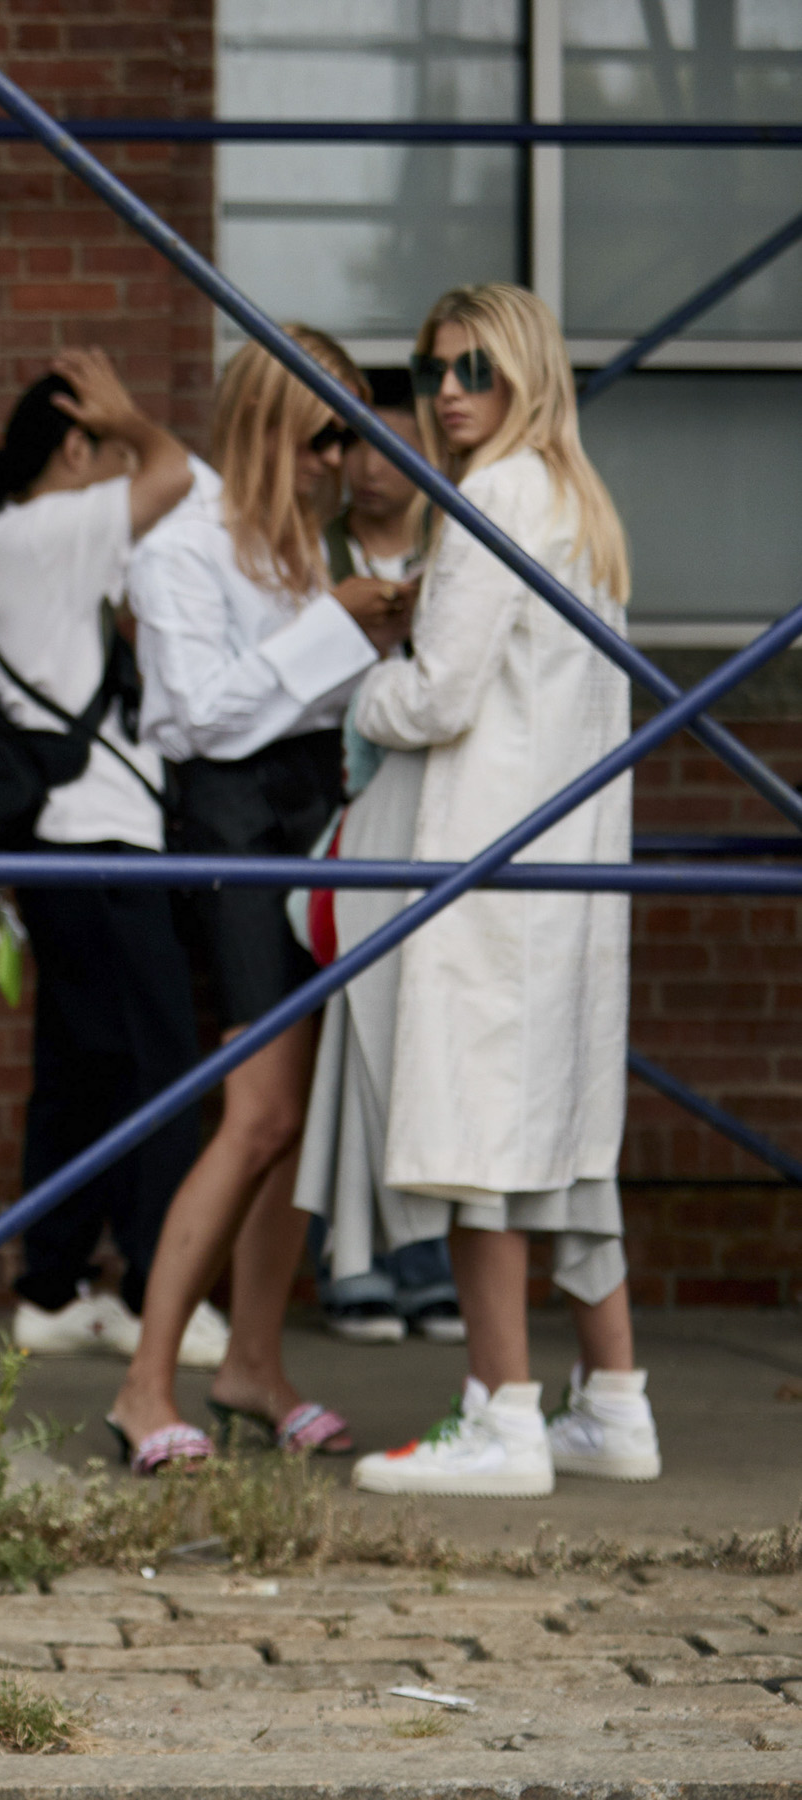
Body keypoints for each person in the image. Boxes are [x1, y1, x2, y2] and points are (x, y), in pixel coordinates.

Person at [349, 283, 655, 1498]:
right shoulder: (581, 500)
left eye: (475, 366)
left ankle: (502, 1416)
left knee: (479, 1142)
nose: (451, 392)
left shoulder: (490, 497)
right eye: (437, 371)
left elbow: (439, 696)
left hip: (491, 861)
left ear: (526, 369)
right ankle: (614, 1402)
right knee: (563, 1150)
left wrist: (364, 690)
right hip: (571, 874)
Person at [103, 327, 414, 1474]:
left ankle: (253, 1365)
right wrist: (339, 626)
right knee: (258, 1115)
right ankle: (146, 1384)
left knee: (298, 1124)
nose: (342, 458)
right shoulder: (182, 544)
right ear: (269, 425)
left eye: (353, 435)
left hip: (314, 814)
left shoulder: (302, 546)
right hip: (232, 824)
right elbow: (197, 716)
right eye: (327, 433)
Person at [0, 349, 223, 1372]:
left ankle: (53, 1285)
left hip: (74, 848)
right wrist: (135, 424)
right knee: (159, 1071)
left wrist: (124, 430)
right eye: (104, 444)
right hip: (100, 844)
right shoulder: (42, 529)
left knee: (83, 1073)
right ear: (76, 447)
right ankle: (161, 1293)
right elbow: (182, 481)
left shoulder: (23, 541)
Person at [300, 371, 464, 1348]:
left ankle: (414, 1256)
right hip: (328, 820)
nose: (372, 466)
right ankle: (356, 1253)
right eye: (356, 442)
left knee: (422, 1036)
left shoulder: (460, 545)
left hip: (435, 825)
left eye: (394, 443)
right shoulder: (306, 550)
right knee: (345, 1042)